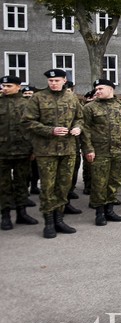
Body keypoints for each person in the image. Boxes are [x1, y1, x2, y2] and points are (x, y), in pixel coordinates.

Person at [21, 69, 84, 238]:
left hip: (68, 149)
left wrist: (78, 127)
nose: (53, 83)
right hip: (46, 150)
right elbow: (27, 122)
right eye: (51, 81)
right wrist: (51, 130)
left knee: (63, 186)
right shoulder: (38, 98)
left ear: (64, 80)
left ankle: (59, 219)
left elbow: (80, 117)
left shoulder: (71, 97)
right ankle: (48, 222)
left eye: (57, 80)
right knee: (48, 187)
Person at [81, 79, 121, 225]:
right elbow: (85, 130)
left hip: (119, 151)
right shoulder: (89, 108)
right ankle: (99, 213)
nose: (97, 91)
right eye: (96, 89)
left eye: (100, 88)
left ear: (111, 89)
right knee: (99, 183)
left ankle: (109, 210)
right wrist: (88, 149)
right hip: (99, 152)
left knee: (115, 181)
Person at [0, 75, 39, 231]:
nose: (5, 88)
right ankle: (5, 216)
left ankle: (22, 213)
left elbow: (33, 128)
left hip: (23, 151)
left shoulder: (27, 105)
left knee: (22, 183)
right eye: (3, 86)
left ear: (18, 86)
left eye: (9, 86)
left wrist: (34, 149)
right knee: (3, 185)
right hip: (2, 152)